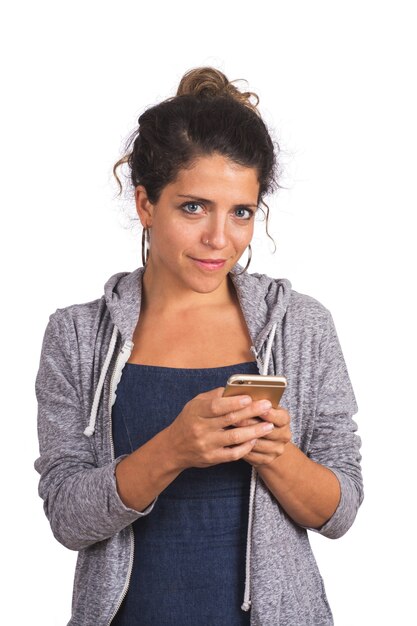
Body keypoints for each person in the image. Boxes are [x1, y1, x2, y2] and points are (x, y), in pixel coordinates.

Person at [34, 67, 363, 626]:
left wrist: (277, 453)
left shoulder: (301, 327)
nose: (220, 238)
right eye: (193, 207)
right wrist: (174, 449)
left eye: (240, 212)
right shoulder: (77, 336)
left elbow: (339, 511)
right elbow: (68, 516)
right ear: (145, 204)